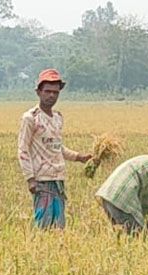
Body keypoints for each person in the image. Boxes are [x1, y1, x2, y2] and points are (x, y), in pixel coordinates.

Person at [17, 68, 91, 229]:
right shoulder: (31, 118)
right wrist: (30, 179)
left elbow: (57, 147)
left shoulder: (57, 117)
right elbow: (23, 149)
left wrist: (79, 157)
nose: (51, 96)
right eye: (47, 91)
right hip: (41, 180)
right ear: (38, 92)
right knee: (43, 223)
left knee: (59, 226)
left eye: (55, 92)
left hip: (58, 178)